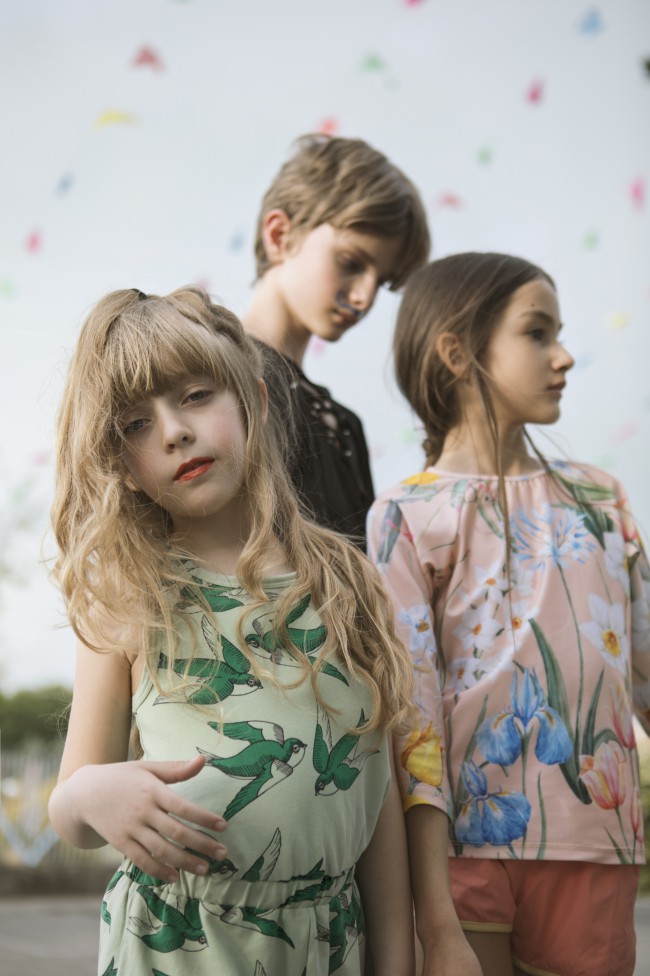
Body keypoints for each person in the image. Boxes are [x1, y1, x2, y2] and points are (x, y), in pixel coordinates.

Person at [47, 286, 423, 976]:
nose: (173, 431)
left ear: (253, 398)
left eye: (195, 396)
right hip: (178, 949)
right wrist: (90, 794)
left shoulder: (353, 582)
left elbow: (378, 805)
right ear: (122, 470)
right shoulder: (126, 598)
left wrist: (397, 962)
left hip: (331, 943)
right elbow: (69, 807)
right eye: (134, 424)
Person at [367, 252, 650, 976]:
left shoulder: (604, 502)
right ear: (458, 352)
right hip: (462, 849)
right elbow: (412, 720)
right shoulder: (406, 514)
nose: (564, 355)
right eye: (537, 332)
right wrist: (433, 920)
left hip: (598, 843)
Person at [243, 133, 430, 547]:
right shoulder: (211, 380)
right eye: (350, 263)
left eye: (380, 281)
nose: (364, 296)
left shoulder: (343, 425)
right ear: (279, 236)